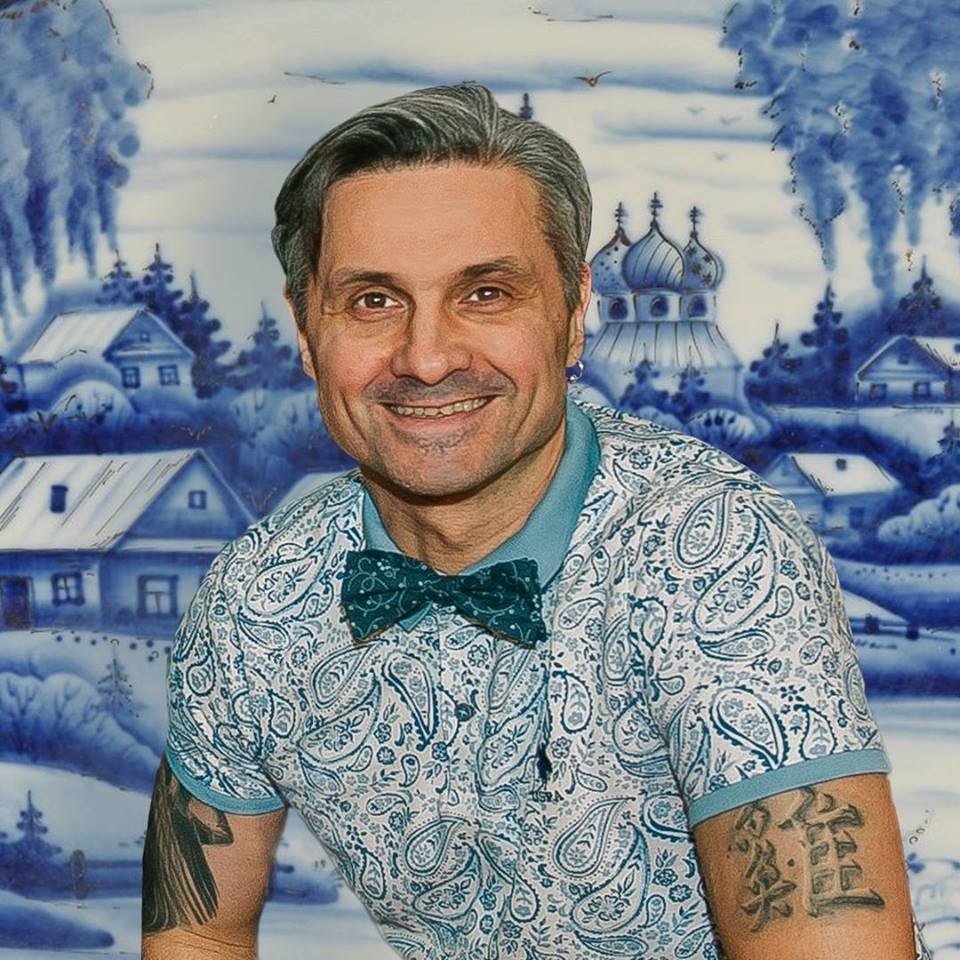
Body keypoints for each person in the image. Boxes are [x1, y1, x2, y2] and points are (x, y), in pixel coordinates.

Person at [141, 82, 930, 960]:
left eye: (485, 293)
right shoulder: (253, 599)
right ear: (305, 329)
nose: (427, 358)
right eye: (373, 301)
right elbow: (197, 930)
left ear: (574, 311)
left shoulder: (715, 551)